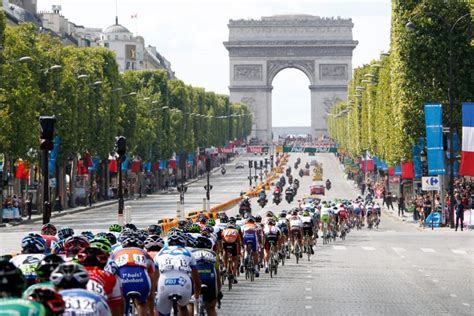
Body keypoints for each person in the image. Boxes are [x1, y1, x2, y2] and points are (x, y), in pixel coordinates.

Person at [154, 230, 201, 316]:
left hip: (164, 282)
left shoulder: (160, 253)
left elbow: (154, 278)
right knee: (183, 307)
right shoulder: (189, 253)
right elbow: (196, 280)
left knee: (163, 311)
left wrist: (152, 292)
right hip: (183, 282)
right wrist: (197, 295)